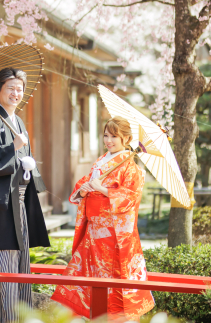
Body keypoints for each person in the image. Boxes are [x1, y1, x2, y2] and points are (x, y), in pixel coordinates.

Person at [50, 116, 154, 321]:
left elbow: (130, 199)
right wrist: (83, 190)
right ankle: (95, 316)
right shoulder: (102, 160)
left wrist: (103, 189)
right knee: (88, 275)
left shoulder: (130, 167)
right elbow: (86, 183)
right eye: (106, 135)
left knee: (113, 279)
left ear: (127, 138)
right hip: (93, 232)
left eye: (114, 136)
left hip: (113, 236)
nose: (108, 140)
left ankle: (114, 318)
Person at [0, 67, 51, 323]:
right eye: (10, 88)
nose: (16, 93)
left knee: (18, 265)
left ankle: (17, 318)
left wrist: (28, 167)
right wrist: (13, 148)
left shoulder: (18, 122)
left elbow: (21, 163)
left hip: (19, 205)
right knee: (0, 264)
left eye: (20, 89)